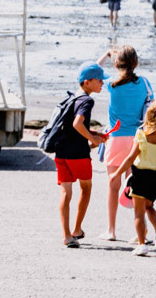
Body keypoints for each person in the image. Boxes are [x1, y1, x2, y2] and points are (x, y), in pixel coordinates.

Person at [95, 45, 151, 241]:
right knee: (137, 188)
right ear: (135, 63)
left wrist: (107, 54)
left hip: (116, 138)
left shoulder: (111, 83)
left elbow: (94, 70)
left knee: (113, 185)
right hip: (137, 139)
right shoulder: (144, 83)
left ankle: (111, 230)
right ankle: (140, 233)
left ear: (117, 64)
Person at [56, 62, 108, 248]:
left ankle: (66, 235)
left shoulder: (72, 98)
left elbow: (74, 128)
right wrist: (93, 140)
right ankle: (77, 229)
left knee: (65, 193)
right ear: (87, 82)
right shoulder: (87, 100)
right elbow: (77, 124)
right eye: (99, 80)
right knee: (86, 188)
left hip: (61, 152)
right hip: (78, 154)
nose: (102, 83)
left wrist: (95, 134)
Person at [108, 103, 156, 255]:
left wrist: (116, 174)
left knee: (139, 212)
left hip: (140, 176)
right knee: (149, 207)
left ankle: (142, 244)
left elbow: (130, 158)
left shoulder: (142, 134)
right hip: (155, 177)